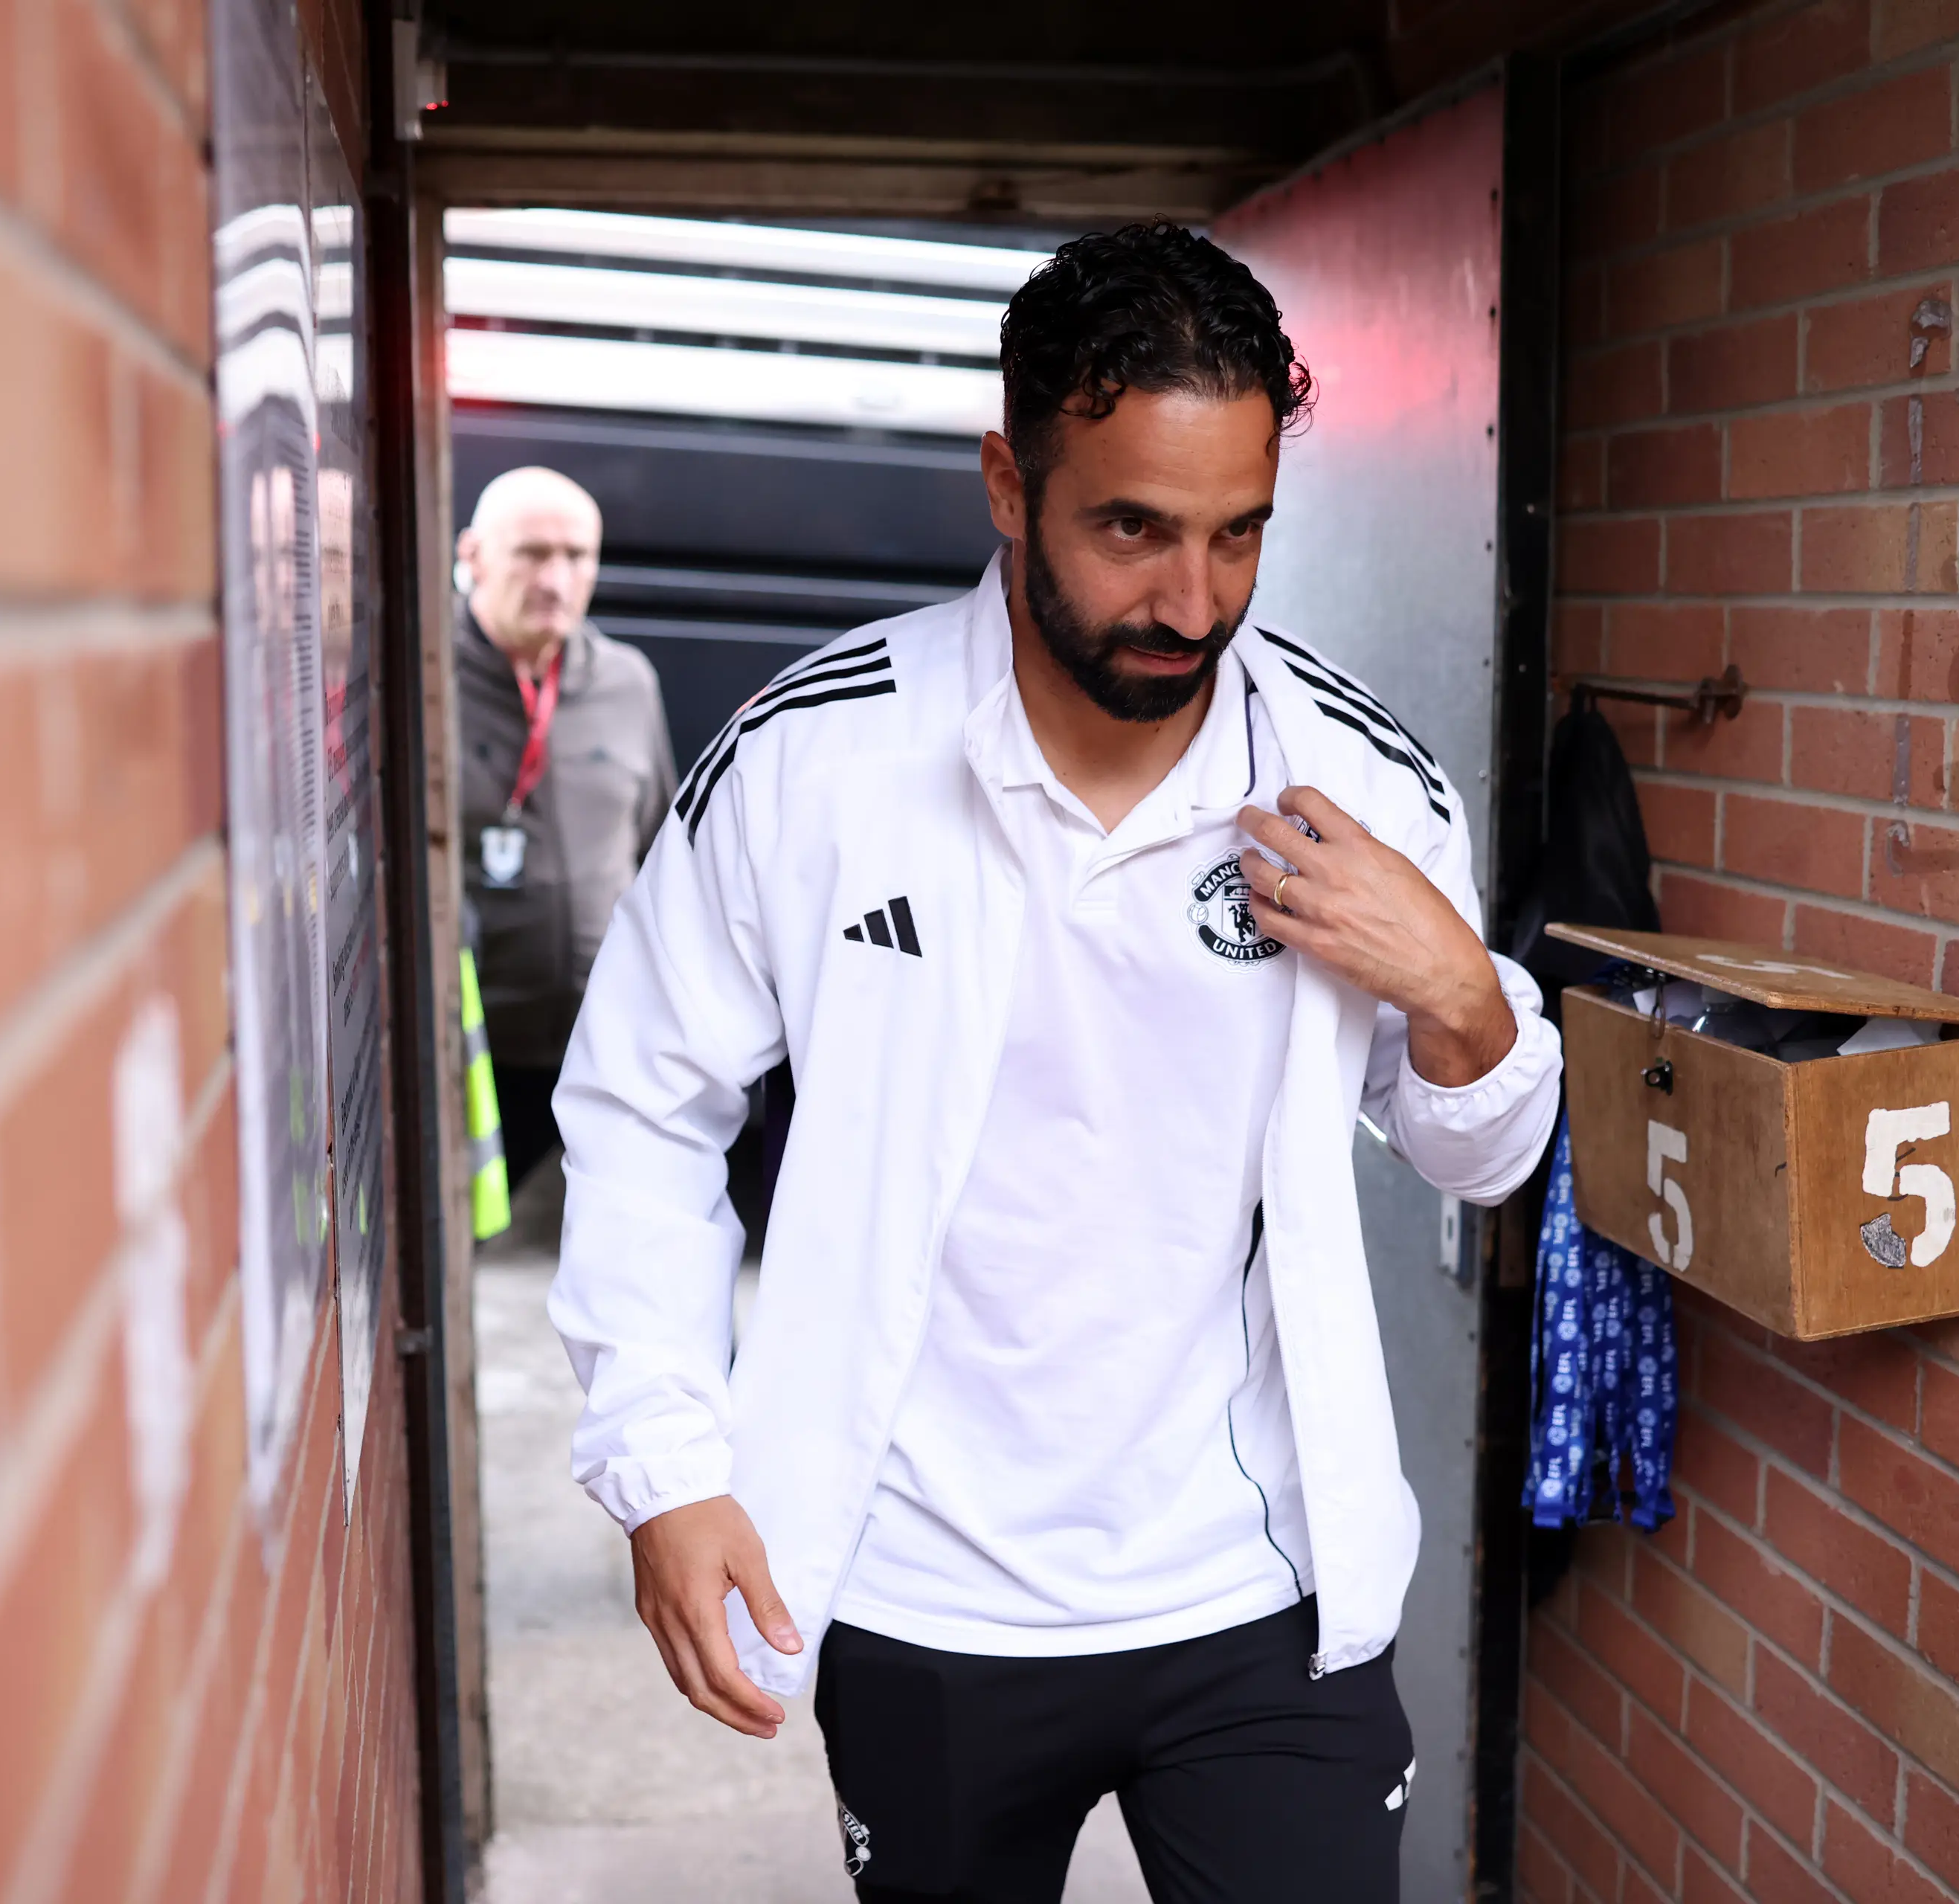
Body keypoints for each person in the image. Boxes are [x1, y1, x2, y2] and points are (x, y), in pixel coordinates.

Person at [547, 224, 1564, 1904]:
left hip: (1260, 1590)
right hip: (918, 1592)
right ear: (1005, 484)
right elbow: (644, 1102)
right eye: (1132, 529)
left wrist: (1461, 995)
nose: (1192, 601)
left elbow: (1483, 1151)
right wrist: (664, 1466)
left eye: (1239, 534)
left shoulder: (1355, 779)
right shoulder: (817, 762)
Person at [455, 465, 674, 1186]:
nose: (557, 578)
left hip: (602, 1051)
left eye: (577, 556)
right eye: (532, 553)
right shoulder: (422, 676)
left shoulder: (626, 681)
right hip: (476, 1058)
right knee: (466, 1242)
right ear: (473, 556)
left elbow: (655, 850)